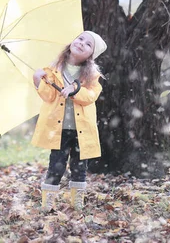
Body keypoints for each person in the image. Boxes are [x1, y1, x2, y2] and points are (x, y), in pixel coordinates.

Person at [31, 31, 107, 212]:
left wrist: (74, 89)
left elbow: (91, 96)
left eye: (88, 44)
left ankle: (77, 203)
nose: (81, 43)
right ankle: (47, 203)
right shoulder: (54, 69)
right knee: (56, 165)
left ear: (91, 55)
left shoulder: (91, 75)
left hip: (82, 130)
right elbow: (49, 96)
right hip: (59, 129)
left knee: (79, 167)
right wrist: (37, 80)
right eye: (80, 38)